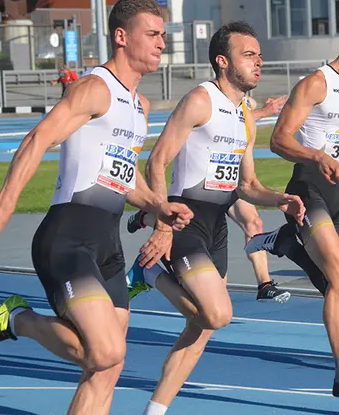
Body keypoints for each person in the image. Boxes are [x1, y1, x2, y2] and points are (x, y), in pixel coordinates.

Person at [0, 0, 194, 415]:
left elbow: (124, 177)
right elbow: (37, 139)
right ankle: (17, 319)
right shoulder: (94, 88)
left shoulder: (139, 107)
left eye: (163, 35)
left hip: (108, 246)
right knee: (104, 352)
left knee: (108, 368)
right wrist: (4, 206)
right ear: (122, 37)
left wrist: (158, 205)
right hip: (68, 238)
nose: (162, 43)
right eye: (153, 34)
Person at [125, 21, 305, 415]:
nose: (259, 62)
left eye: (259, 55)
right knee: (218, 314)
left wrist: (280, 198)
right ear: (223, 61)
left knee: (201, 329)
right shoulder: (200, 100)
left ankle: (155, 410)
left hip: (216, 227)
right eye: (249, 55)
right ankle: (151, 272)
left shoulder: (245, 115)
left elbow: (247, 185)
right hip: (184, 220)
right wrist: (163, 226)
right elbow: (157, 161)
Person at [247, 8, 339, 406]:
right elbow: (278, 139)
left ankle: (286, 244)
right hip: (309, 189)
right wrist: (315, 156)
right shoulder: (315, 83)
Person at [125, 95, 293, 303]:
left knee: (254, 222)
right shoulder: (205, 100)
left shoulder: (244, 103)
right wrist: (263, 113)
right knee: (205, 299)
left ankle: (264, 284)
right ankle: (146, 217)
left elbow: (246, 113)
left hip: (230, 184)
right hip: (202, 185)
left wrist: (255, 112)